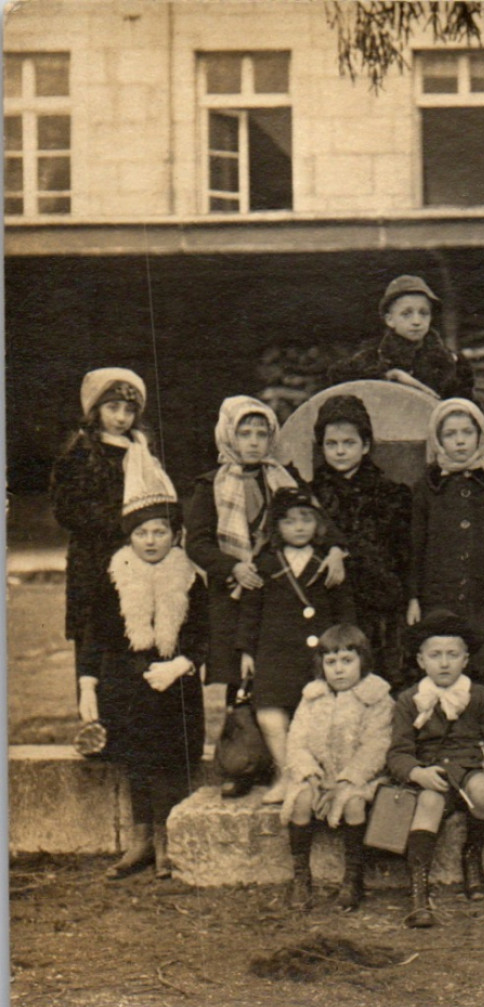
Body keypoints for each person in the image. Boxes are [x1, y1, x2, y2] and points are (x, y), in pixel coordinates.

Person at [187, 397, 345, 794]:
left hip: (278, 592)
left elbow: (318, 519)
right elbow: (198, 543)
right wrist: (233, 567)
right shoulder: (211, 484)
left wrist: (338, 550)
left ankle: (290, 767)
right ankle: (242, 765)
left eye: (262, 433)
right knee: (240, 679)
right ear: (229, 435)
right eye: (245, 433)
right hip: (234, 591)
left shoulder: (285, 478)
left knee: (285, 682)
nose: (254, 442)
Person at [77, 482, 205, 880]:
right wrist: (88, 684)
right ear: (129, 536)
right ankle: (141, 839)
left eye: (160, 532)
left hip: (174, 686)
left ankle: (167, 840)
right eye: (141, 533)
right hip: (126, 687)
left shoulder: (189, 578)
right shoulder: (113, 575)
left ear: (175, 535)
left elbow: (204, 635)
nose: (151, 541)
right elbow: (93, 635)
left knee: (169, 761)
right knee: (136, 762)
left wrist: (181, 664)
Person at [53, 368, 177, 694]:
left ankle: (135, 732)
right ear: (95, 410)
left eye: (129, 410)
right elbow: (68, 509)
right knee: (96, 648)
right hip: (95, 564)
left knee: (138, 645)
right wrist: (125, 523)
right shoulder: (81, 452)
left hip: (140, 562)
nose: (121, 417)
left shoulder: (141, 450)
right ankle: (96, 730)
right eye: (113, 408)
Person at [387, 609, 484, 928]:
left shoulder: (479, 697)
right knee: (428, 802)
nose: (444, 663)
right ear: (421, 660)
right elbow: (398, 753)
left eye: (452, 655)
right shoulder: (410, 699)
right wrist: (417, 773)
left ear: (465, 660)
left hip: (468, 770)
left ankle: (472, 855)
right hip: (431, 776)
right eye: (435, 655)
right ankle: (418, 889)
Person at [238, 487, 357, 804]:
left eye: (306, 519)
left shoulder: (329, 562)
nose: (299, 526)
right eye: (289, 521)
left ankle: (316, 776)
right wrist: (247, 652)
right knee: (270, 714)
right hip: (275, 652)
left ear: (318, 524)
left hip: (320, 656)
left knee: (317, 712)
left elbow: (344, 608)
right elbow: (251, 610)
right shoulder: (264, 562)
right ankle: (286, 774)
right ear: (276, 526)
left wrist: (349, 647)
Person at [280, 624, 394, 911]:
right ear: (321, 665)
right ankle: (301, 877)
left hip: (359, 777)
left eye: (347, 661)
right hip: (319, 775)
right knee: (301, 799)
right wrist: (311, 774)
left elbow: (376, 747)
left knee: (354, 803)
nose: (339, 670)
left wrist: (346, 781)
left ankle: (353, 878)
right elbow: (297, 741)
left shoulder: (377, 697)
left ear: (363, 661)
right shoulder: (312, 697)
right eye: (331, 663)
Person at [407, 398, 484, 681]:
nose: (459, 441)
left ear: (480, 435)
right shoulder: (428, 486)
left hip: (481, 596)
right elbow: (415, 545)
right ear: (438, 439)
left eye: (467, 433)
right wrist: (413, 597)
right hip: (439, 594)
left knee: (481, 666)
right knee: (442, 667)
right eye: (450, 434)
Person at [304, 394, 412, 683]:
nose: (340, 451)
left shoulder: (392, 496)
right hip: (327, 608)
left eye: (349, 443)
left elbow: (404, 556)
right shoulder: (309, 498)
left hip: (379, 612)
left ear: (365, 446)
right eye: (332, 444)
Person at [327, 274, 474, 400]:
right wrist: (389, 376)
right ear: (390, 320)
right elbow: (337, 376)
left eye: (423, 313)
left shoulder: (449, 361)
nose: (416, 321)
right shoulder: (374, 356)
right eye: (406, 314)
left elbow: (466, 406)